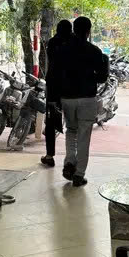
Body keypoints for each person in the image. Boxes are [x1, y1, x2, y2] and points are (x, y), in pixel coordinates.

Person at [57, 16, 109, 187]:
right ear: (88, 31)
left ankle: (69, 162)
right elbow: (102, 77)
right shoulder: (94, 51)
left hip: (67, 98)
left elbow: (56, 74)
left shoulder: (63, 49)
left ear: (74, 29)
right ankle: (79, 174)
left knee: (71, 131)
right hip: (87, 98)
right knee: (84, 135)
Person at [40, 19, 73, 167]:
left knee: (51, 122)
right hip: (71, 89)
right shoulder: (75, 43)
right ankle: (72, 158)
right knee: (73, 126)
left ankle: (49, 155)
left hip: (54, 89)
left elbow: (53, 61)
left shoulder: (53, 42)